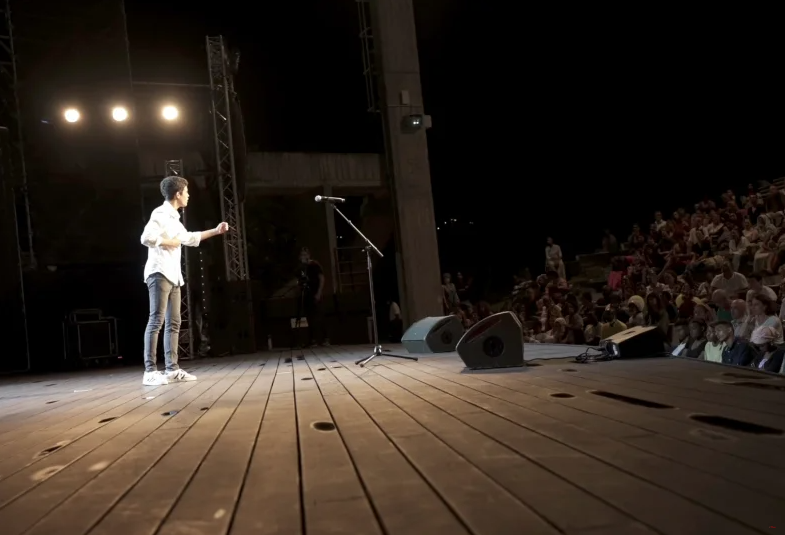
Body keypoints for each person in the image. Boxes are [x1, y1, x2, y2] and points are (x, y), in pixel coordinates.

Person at [139, 176, 229, 386]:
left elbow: (189, 238)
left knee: (175, 322)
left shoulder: (175, 219)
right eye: (186, 192)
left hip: (173, 276)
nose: (188, 195)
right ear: (178, 194)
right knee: (156, 320)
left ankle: (172, 369)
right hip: (159, 273)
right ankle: (150, 371)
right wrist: (167, 241)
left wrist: (216, 231)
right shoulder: (160, 213)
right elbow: (145, 238)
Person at [299, 247, 328, 346]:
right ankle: (313, 340)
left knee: (319, 316)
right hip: (307, 294)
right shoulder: (303, 268)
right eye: (301, 255)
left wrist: (319, 292)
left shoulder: (314, 265)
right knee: (309, 318)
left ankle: (325, 339)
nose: (303, 256)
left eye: (305, 254)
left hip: (315, 292)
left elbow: (321, 278)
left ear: (308, 255)